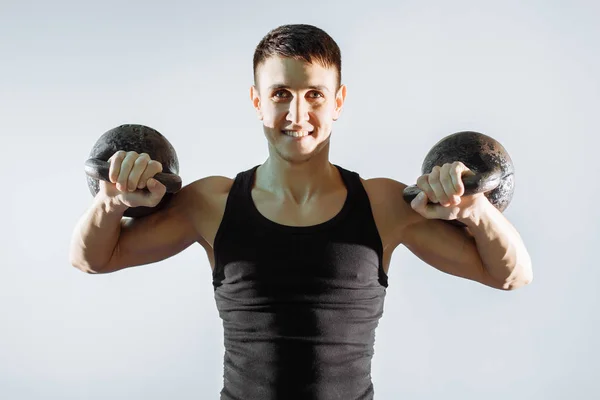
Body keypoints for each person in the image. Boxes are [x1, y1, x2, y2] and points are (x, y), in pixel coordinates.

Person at [70, 24, 533, 400]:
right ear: (257, 101)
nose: (297, 113)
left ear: (338, 102)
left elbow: (510, 275)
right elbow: (94, 257)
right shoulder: (212, 203)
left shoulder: (383, 204)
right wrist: (111, 200)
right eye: (279, 94)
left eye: (314, 94)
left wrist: (474, 209)